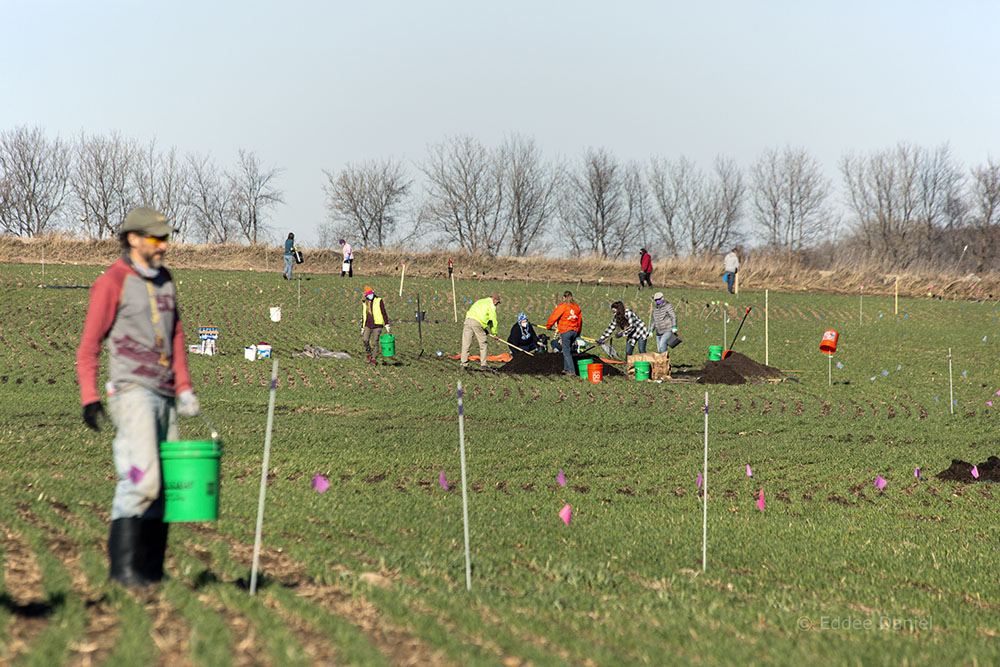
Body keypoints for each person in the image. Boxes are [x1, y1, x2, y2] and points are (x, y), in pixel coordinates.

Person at [76, 206, 200, 589]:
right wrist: (90, 396)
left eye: (166, 238)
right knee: (141, 479)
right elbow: (89, 344)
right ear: (133, 238)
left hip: (164, 392)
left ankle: (151, 573)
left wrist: (184, 387)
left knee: (164, 487)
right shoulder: (112, 281)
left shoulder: (165, 280)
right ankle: (123, 573)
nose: (164, 245)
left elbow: (176, 334)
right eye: (156, 238)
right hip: (131, 392)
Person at [545, 291, 583, 376]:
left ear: (564, 297)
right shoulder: (576, 307)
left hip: (566, 331)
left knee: (566, 352)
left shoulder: (563, 306)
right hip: (575, 331)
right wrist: (578, 332)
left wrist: (548, 326)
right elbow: (580, 321)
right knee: (568, 349)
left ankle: (571, 371)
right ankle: (566, 369)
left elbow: (554, 316)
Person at [461, 293, 501, 370]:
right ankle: (483, 364)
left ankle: (463, 364)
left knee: (466, 344)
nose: (496, 304)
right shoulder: (492, 306)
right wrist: (495, 333)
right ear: (495, 301)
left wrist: (485, 329)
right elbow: (493, 321)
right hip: (477, 323)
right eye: (497, 303)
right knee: (483, 344)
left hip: (468, 321)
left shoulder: (480, 301)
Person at [360, 286, 390, 365]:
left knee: (375, 342)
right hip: (367, 325)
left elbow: (384, 312)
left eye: (371, 294)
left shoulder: (379, 301)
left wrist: (386, 324)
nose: (371, 296)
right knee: (365, 339)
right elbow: (364, 315)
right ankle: (368, 353)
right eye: (369, 295)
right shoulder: (365, 303)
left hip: (377, 325)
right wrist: (362, 327)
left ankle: (374, 358)